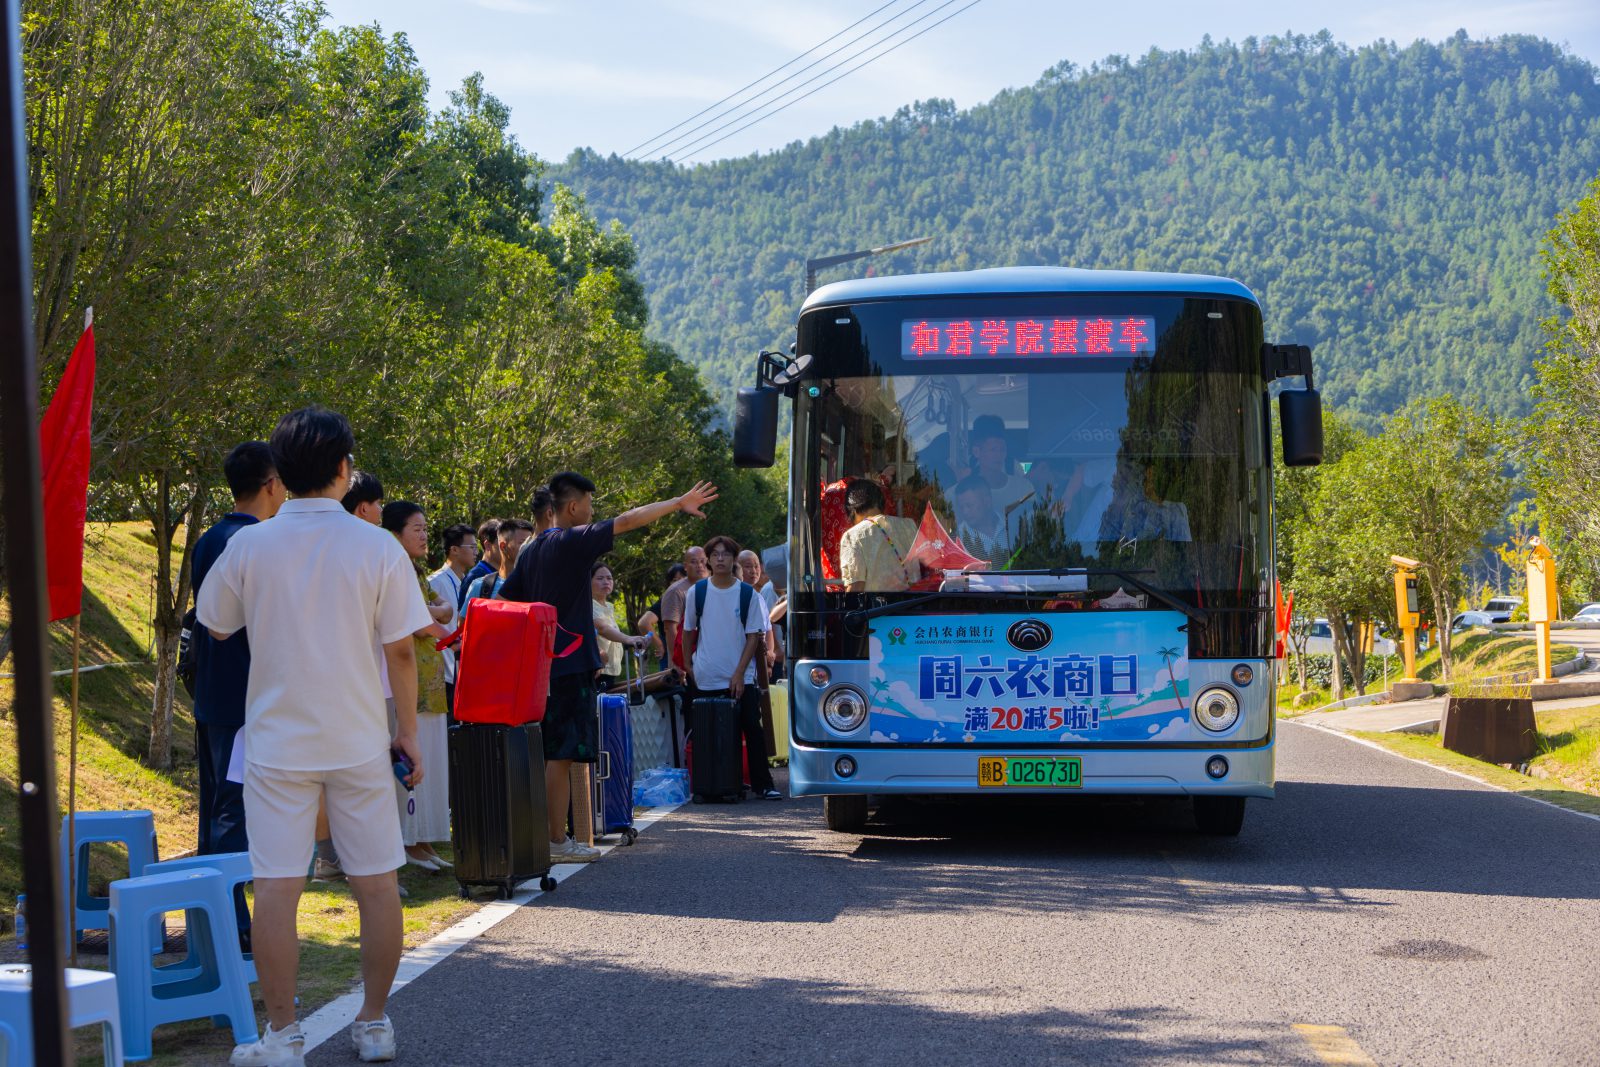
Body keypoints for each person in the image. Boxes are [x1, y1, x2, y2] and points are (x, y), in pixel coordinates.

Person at [198, 406, 430, 1064]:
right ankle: (375, 1022)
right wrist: (406, 732)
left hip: (277, 741)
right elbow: (402, 652)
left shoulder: (251, 544)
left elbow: (216, 625)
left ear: (282, 473)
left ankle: (283, 1035)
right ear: (341, 469)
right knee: (376, 884)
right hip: (358, 736)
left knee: (276, 887)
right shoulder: (377, 546)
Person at [499, 471, 718, 863]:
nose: (592, 511)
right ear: (571, 507)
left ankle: (550, 837)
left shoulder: (530, 550)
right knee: (561, 755)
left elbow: (507, 599)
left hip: (543, 667)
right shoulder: (570, 540)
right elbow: (629, 520)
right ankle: (555, 841)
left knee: (551, 753)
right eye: (588, 504)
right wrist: (675, 503)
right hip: (569, 666)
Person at [190, 441, 285, 947]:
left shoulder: (208, 539)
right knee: (234, 812)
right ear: (271, 483)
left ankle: (215, 920)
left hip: (211, 694)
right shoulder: (258, 543)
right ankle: (232, 926)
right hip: (246, 699)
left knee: (217, 810)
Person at [381, 502, 454, 873]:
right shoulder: (395, 569)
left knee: (432, 759)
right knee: (414, 760)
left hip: (428, 673)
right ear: (395, 533)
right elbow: (421, 620)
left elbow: (438, 609)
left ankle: (423, 840)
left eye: (426, 528)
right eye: (416, 528)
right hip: (410, 680)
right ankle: (409, 841)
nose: (424, 535)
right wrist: (439, 616)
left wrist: (436, 612)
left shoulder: (417, 571)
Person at [682, 535, 782, 800]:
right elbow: (688, 631)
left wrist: (738, 673)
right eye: (715, 555)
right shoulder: (697, 592)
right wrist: (687, 665)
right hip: (706, 674)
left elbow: (754, 636)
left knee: (751, 726)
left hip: (741, 676)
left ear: (733, 559)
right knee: (706, 732)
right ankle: (710, 784)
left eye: (726, 554)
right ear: (709, 560)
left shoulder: (747, 593)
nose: (721, 559)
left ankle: (763, 784)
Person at [838, 479, 921, 593]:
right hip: (914, 605)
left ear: (852, 510)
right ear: (881, 503)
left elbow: (856, 588)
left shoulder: (852, 536)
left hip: (878, 609)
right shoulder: (909, 525)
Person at [428, 524, 476, 714]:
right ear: (454, 550)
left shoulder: (467, 582)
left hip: (462, 672)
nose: (475, 552)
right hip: (444, 676)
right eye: (471, 547)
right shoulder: (435, 582)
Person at [961, 414, 1034, 516]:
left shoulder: (1024, 487)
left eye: (1002, 449)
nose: (999, 455)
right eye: (993, 450)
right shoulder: (960, 490)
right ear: (976, 451)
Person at [591, 562, 643, 690]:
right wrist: (629, 639)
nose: (606, 582)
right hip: (597, 671)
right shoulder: (588, 605)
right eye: (600, 578)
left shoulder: (609, 607)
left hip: (610, 671)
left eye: (609, 578)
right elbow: (602, 628)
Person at [660, 545, 710, 670]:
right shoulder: (676, 591)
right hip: (686, 661)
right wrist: (679, 663)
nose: (699, 565)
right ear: (685, 566)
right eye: (693, 562)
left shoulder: (715, 586)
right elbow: (670, 629)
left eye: (702, 561)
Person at [462, 518, 532, 603]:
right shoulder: (480, 585)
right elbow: (464, 616)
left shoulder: (537, 585)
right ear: (503, 546)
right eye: (523, 543)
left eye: (531, 543)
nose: (528, 547)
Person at [737, 549, 783, 676]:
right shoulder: (735, 595)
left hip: (761, 663)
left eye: (756, 566)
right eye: (747, 566)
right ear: (737, 568)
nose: (754, 571)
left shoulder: (758, 596)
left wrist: (770, 653)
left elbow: (767, 627)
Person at [953, 475, 1012, 569]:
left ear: (987, 501)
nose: (965, 512)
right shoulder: (958, 540)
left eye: (969, 505)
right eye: (962, 507)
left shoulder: (1013, 525)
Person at [636, 562, 685, 670]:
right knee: (674, 684)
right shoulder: (667, 600)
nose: (678, 584)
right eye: (674, 580)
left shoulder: (694, 597)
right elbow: (644, 623)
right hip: (671, 653)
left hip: (690, 650)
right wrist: (660, 645)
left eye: (682, 579)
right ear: (668, 583)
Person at [456, 518, 502, 611]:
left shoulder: (505, 574)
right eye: (502, 542)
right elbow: (463, 620)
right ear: (488, 545)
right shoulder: (475, 577)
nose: (507, 546)